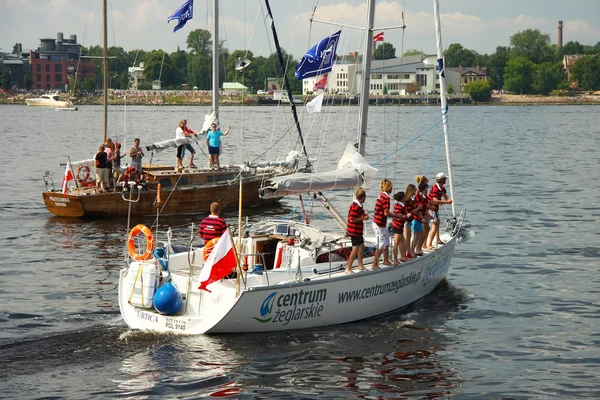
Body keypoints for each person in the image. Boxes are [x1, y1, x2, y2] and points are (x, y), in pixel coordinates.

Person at [372, 179, 397, 270]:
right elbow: (386, 212)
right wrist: (395, 215)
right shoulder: (386, 198)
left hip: (378, 222)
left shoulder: (380, 195)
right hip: (380, 224)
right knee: (382, 245)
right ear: (389, 188)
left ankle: (386, 260)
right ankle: (375, 264)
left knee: (386, 241)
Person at [426, 172, 453, 248]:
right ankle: (429, 244)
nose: (446, 180)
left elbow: (445, 196)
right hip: (431, 208)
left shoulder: (442, 188)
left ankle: (437, 239)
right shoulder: (435, 188)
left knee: (437, 223)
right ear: (442, 180)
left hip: (436, 209)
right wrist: (447, 202)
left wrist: (449, 200)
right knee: (434, 226)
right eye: (445, 179)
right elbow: (435, 200)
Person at [345, 188, 369, 274]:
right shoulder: (355, 206)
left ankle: (360, 265)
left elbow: (360, 213)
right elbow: (352, 219)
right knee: (355, 249)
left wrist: (364, 215)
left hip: (358, 231)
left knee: (362, 246)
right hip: (354, 231)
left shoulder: (359, 205)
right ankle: (348, 268)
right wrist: (363, 218)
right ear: (363, 197)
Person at [391, 191, 408, 264]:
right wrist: (406, 216)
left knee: (401, 241)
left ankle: (403, 256)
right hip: (397, 225)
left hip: (400, 225)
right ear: (402, 198)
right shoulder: (399, 205)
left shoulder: (400, 204)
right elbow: (399, 215)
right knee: (396, 243)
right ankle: (395, 259)